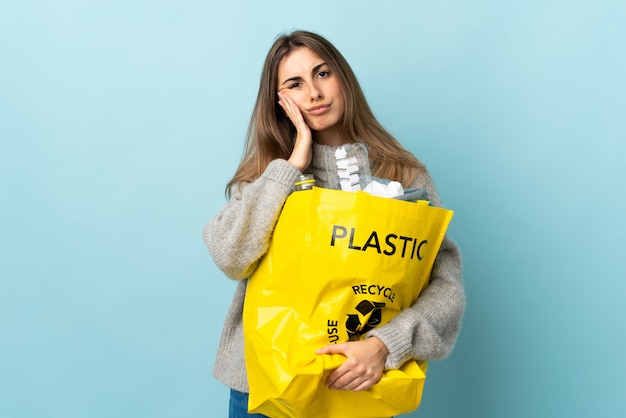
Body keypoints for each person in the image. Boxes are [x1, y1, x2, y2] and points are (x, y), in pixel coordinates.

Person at [203, 30, 465, 418]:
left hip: (362, 384)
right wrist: (292, 165)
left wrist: (384, 345)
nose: (314, 93)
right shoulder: (265, 177)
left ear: (343, 78)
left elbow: (446, 286)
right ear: (280, 102)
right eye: (295, 84)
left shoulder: (404, 173)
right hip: (264, 388)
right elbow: (230, 256)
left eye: (322, 73)